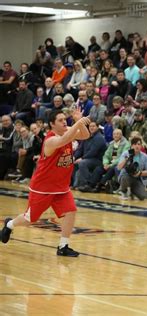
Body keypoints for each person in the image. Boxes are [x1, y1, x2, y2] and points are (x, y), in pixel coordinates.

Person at [1, 109, 90, 256]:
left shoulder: (67, 130)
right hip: (43, 188)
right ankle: (10, 225)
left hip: (61, 187)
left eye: (64, 119)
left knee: (70, 212)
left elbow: (85, 135)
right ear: (52, 125)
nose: (64, 122)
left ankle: (63, 246)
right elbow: (64, 140)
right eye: (60, 120)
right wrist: (77, 123)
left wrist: (78, 121)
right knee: (30, 218)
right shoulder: (50, 140)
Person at [116, 136, 147, 200]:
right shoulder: (126, 153)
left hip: (137, 178)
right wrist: (126, 159)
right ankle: (124, 191)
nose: (137, 146)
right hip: (125, 176)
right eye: (134, 144)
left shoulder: (144, 156)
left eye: (139, 144)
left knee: (142, 196)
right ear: (131, 146)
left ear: (141, 146)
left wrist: (139, 173)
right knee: (125, 177)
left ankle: (132, 191)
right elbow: (119, 168)